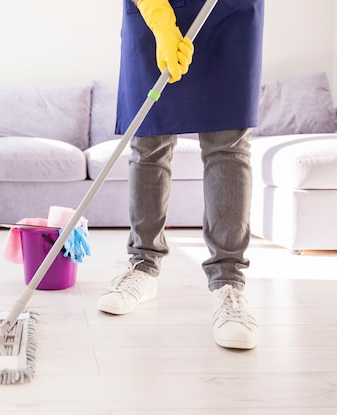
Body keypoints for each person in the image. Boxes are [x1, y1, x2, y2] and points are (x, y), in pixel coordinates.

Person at [97, 0, 264, 350]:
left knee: (228, 144)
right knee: (148, 140)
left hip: (228, 13)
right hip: (152, 11)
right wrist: (160, 19)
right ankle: (142, 266)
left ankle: (228, 283)